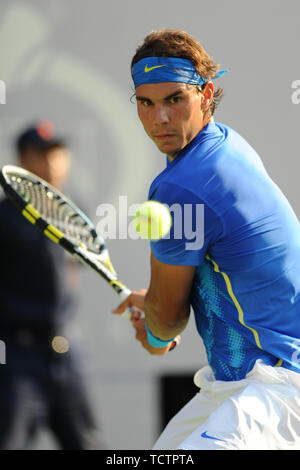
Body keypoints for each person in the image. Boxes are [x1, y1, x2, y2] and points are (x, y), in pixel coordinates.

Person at [112, 29, 300, 450]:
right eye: (146, 102)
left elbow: (167, 320)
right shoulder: (226, 143)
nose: (159, 118)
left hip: (276, 389)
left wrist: (156, 332)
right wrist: (156, 303)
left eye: (174, 99)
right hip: (240, 384)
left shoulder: (182, 186)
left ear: (206, 94)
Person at [0, 121, 105, 450]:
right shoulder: (4, 218)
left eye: (59, 152)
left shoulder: (74, 212)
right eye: (43, 153)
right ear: (22, 160)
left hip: (66, 354)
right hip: (17, 357)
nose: (54, 161)